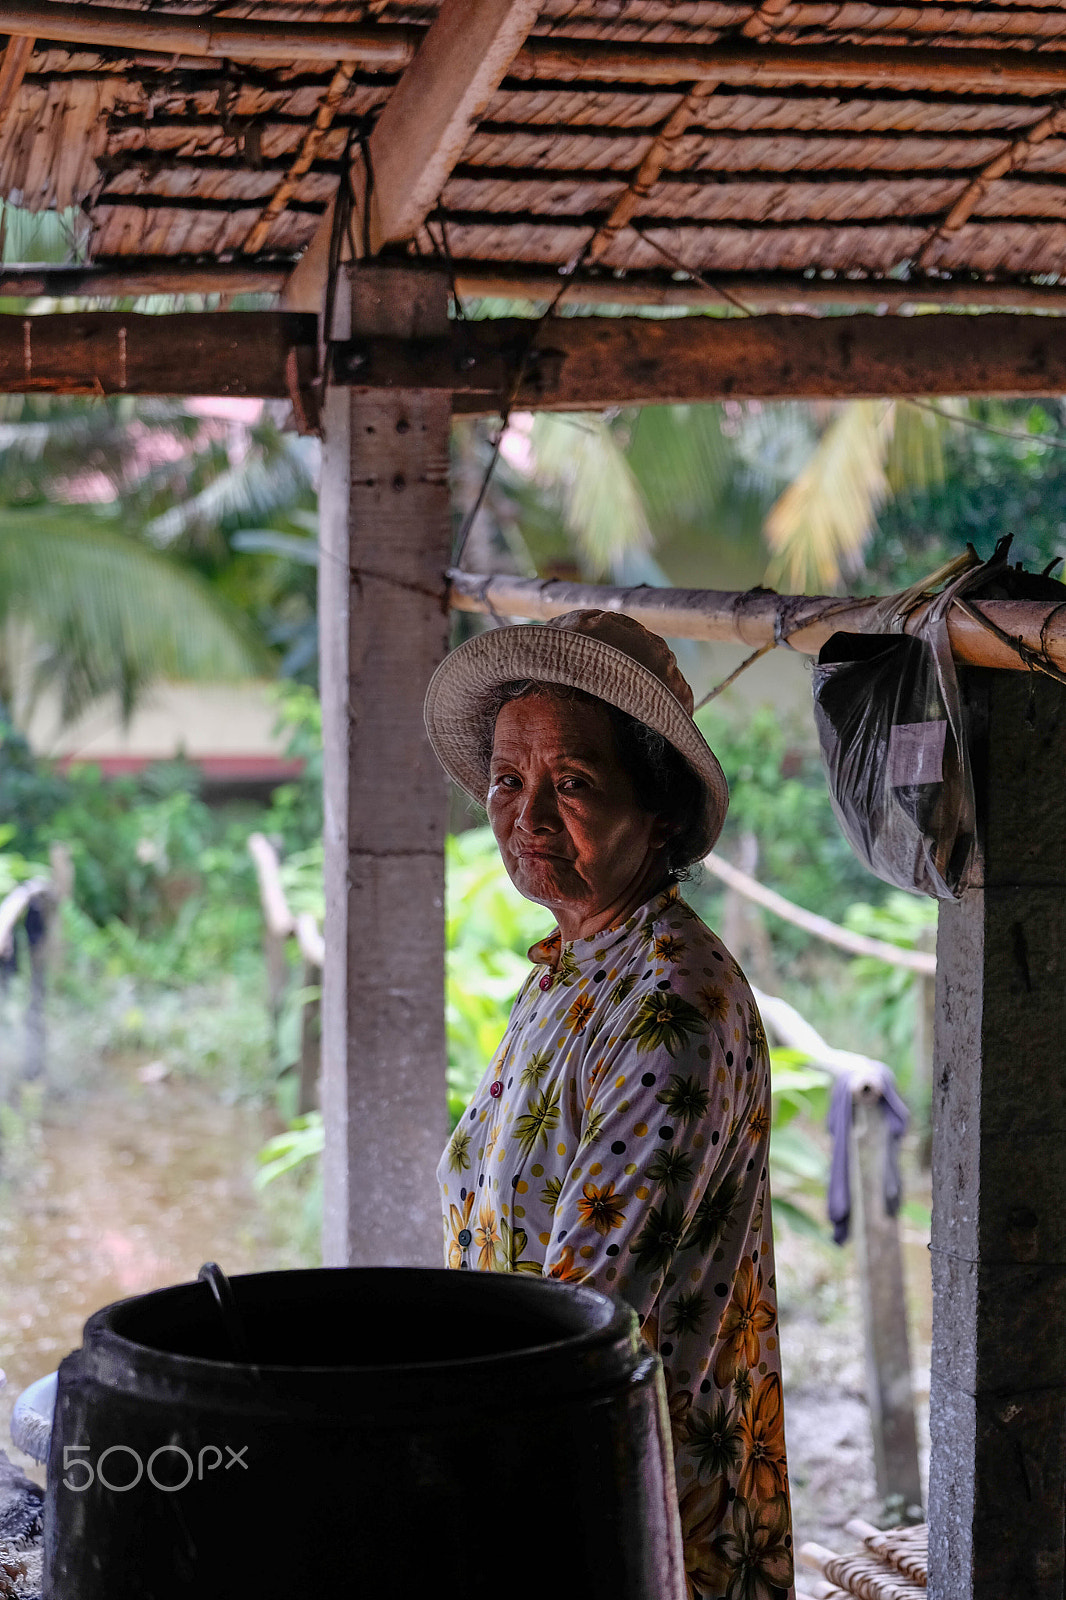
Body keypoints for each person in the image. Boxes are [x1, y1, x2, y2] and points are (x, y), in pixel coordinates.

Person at [424, 610, 794, 1600]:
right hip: (535, 1461)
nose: (528, 816)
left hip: (621, 1504)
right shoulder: (570, 967)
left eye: (575, 784)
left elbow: (583, 1311)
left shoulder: (671, 995)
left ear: (658, 811)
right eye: (509, 780)